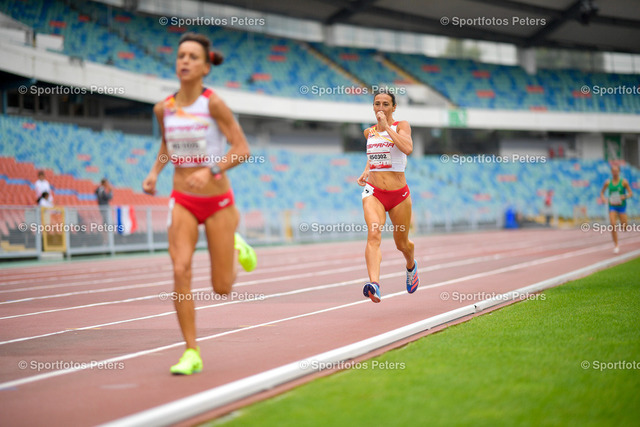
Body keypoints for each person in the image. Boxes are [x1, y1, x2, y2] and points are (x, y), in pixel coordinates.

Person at [142, 32, 257, 375]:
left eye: (193, 57)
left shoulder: (213, 104)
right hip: (182, 200)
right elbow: (168, 145)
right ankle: (191, 351)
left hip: (218, 201)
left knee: (222, 288)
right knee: (180, 269)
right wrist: (154, 173)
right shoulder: (164, 108)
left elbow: (242, 149)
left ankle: (234, 245)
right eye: (181, 56)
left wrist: (211, 171)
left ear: (206, 67)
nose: (185, 61)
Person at [357, 89, 419, 303]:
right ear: (373, 107)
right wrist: (367, 169)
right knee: (374, 234)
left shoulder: (402, 126)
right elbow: (375, 153)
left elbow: (407, 148)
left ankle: (411, 264)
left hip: (399, 195)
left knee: (401, 244)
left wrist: (387, 128)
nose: (381, 108)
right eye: (377, 104)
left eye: (385, 104)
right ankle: (374, 284)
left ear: (394, 107)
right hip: (374, 192)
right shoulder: (368, 132)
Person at [599, 164, 633, 253]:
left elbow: (630, 193)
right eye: (613, 171)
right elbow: (602, 192)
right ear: (611, 172)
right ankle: (616, 245)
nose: (615, 173)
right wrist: (603, 199)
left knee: (624, 227)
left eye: (616, 171)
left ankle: (624, 225)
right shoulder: (608, 182)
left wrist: (624, 196)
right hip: (612, 206)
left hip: (621, 207)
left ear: (619, 172)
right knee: (613, 224)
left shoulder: (624, 182)